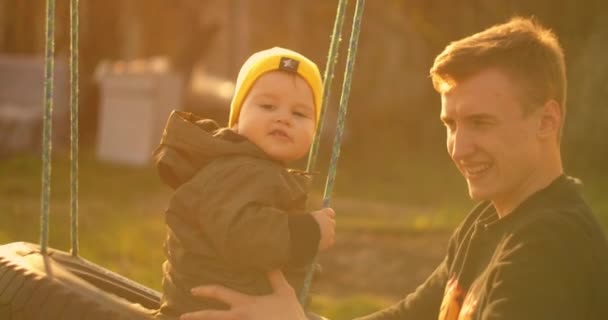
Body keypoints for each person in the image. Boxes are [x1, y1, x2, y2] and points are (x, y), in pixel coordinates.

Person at [180, 17, 608, 320]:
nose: (459, 148)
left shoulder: (551, 249)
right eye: (450, 124)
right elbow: (408, 316)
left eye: (481, 123)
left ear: (546, 121)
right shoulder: (489, 223)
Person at [153, 47, 336, 318]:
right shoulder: (238, 168)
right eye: (268, 106)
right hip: (208, 309)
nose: (283, 118)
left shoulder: (259, 170)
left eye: (300, 114)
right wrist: (308, 233)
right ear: (237, 120)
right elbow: (242, 232)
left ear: (313, 132)